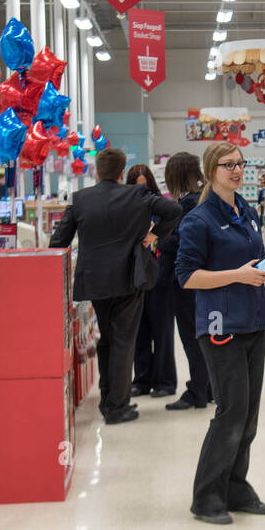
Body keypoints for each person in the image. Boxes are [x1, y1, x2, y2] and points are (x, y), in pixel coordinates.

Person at [176, 143, 265, 523]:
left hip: (253, 319)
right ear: (211, 170)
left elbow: (250, 256)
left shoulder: (245, 209)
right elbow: (187, 276)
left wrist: (260, 271)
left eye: (240, 164)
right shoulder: (199, 220)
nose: (236, 170)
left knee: (248, 414)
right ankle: (206, 495)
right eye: (228, 165)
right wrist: (237, 275)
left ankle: (236, 487)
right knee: (231, 411)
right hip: (220, 325)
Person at [49, 148, 182, 425]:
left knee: (107, 339)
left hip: (93, 280)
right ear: (123, 173)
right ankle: (117, 407)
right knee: (123, 340)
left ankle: (108, 399)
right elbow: (174, 210)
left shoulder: (80, 199)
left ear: (97, 171)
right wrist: (152, 236)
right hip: (128, 277)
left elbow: (58, 241)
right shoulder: (138, 195)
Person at [159, 152, 214, 411]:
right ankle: (210, 387)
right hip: (207, 278)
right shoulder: (207, 200)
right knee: (204, 334)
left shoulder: (186, 205)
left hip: (187, 280)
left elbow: (181, 242)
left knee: (192, 336)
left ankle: (197, 391)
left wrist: (157, 239)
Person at [126, 164, 176, 399]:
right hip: (135, 277)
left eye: (144, 187)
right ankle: (142, 379)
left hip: (161, 275)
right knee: (139, 332)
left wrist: (155, 236)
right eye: (136, 187)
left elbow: (174, 235)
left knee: (163, 331)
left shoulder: (162, 207)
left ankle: (165, 381)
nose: (140, 192)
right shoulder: (125, 208)